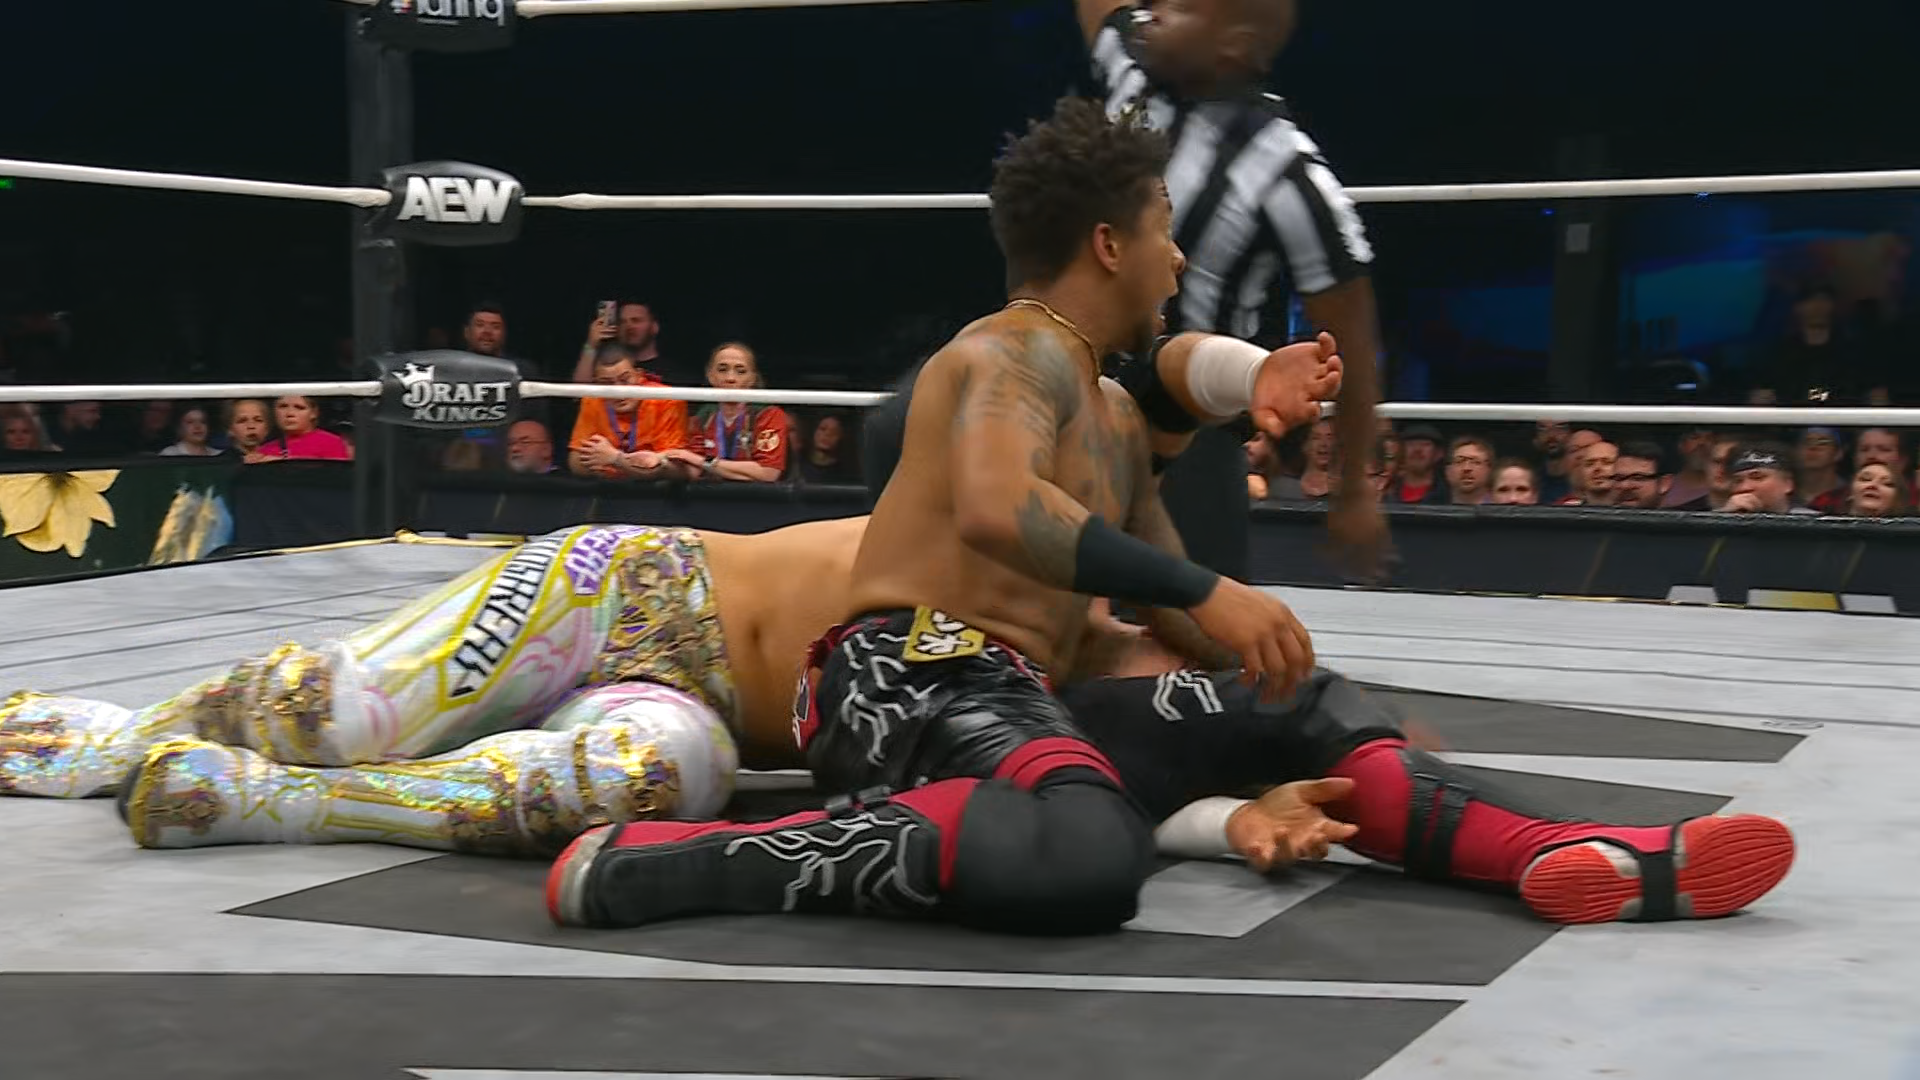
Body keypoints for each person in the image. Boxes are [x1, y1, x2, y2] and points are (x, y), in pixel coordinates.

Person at [544, 97, 1335, 936]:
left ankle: (831, 836)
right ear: (1109, 245)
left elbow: (1172, 603)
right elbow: (1001, 507)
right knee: (1094, 845)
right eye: (1164, 230)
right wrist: (1210, 590)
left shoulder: (1113, 419)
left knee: (1107, 826)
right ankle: (705, 859)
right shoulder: (1008, 351)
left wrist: (1278, 684)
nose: (1178, 259)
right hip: (908, 670)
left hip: (996, 691)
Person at [1075, 0, 1391, 582]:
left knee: (1191, 618)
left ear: (1235, 46)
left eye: (1182, 7)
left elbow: (1348, 340)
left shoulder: (1287, 174)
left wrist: (1351, 489)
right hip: (1075, 392)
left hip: (1192, 430)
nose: (1154, 13)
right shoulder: (1136, 74)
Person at [672, 342, 790, 483]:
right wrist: (662, 462)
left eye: (741, 371)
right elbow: (693, 470)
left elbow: (768, 473)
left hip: (757, 494)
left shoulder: (769, 415)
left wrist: (703, 462)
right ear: (710, 375)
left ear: (752, 378)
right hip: (710, 494)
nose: (730, 378)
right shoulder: (701, 417)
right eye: (722, 370)